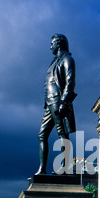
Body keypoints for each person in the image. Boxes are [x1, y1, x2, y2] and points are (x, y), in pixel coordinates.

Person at [36, 34, 77, 175]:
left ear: (58, 44)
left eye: (52, 43)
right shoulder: (55, 61)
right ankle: (42, 169)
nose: (50, 46)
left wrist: (64, 102)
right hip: (49, 103)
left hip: (58, 101)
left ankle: (64, 168)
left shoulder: (67, 59)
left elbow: (70, 82)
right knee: (42, 135)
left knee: (62, 134)